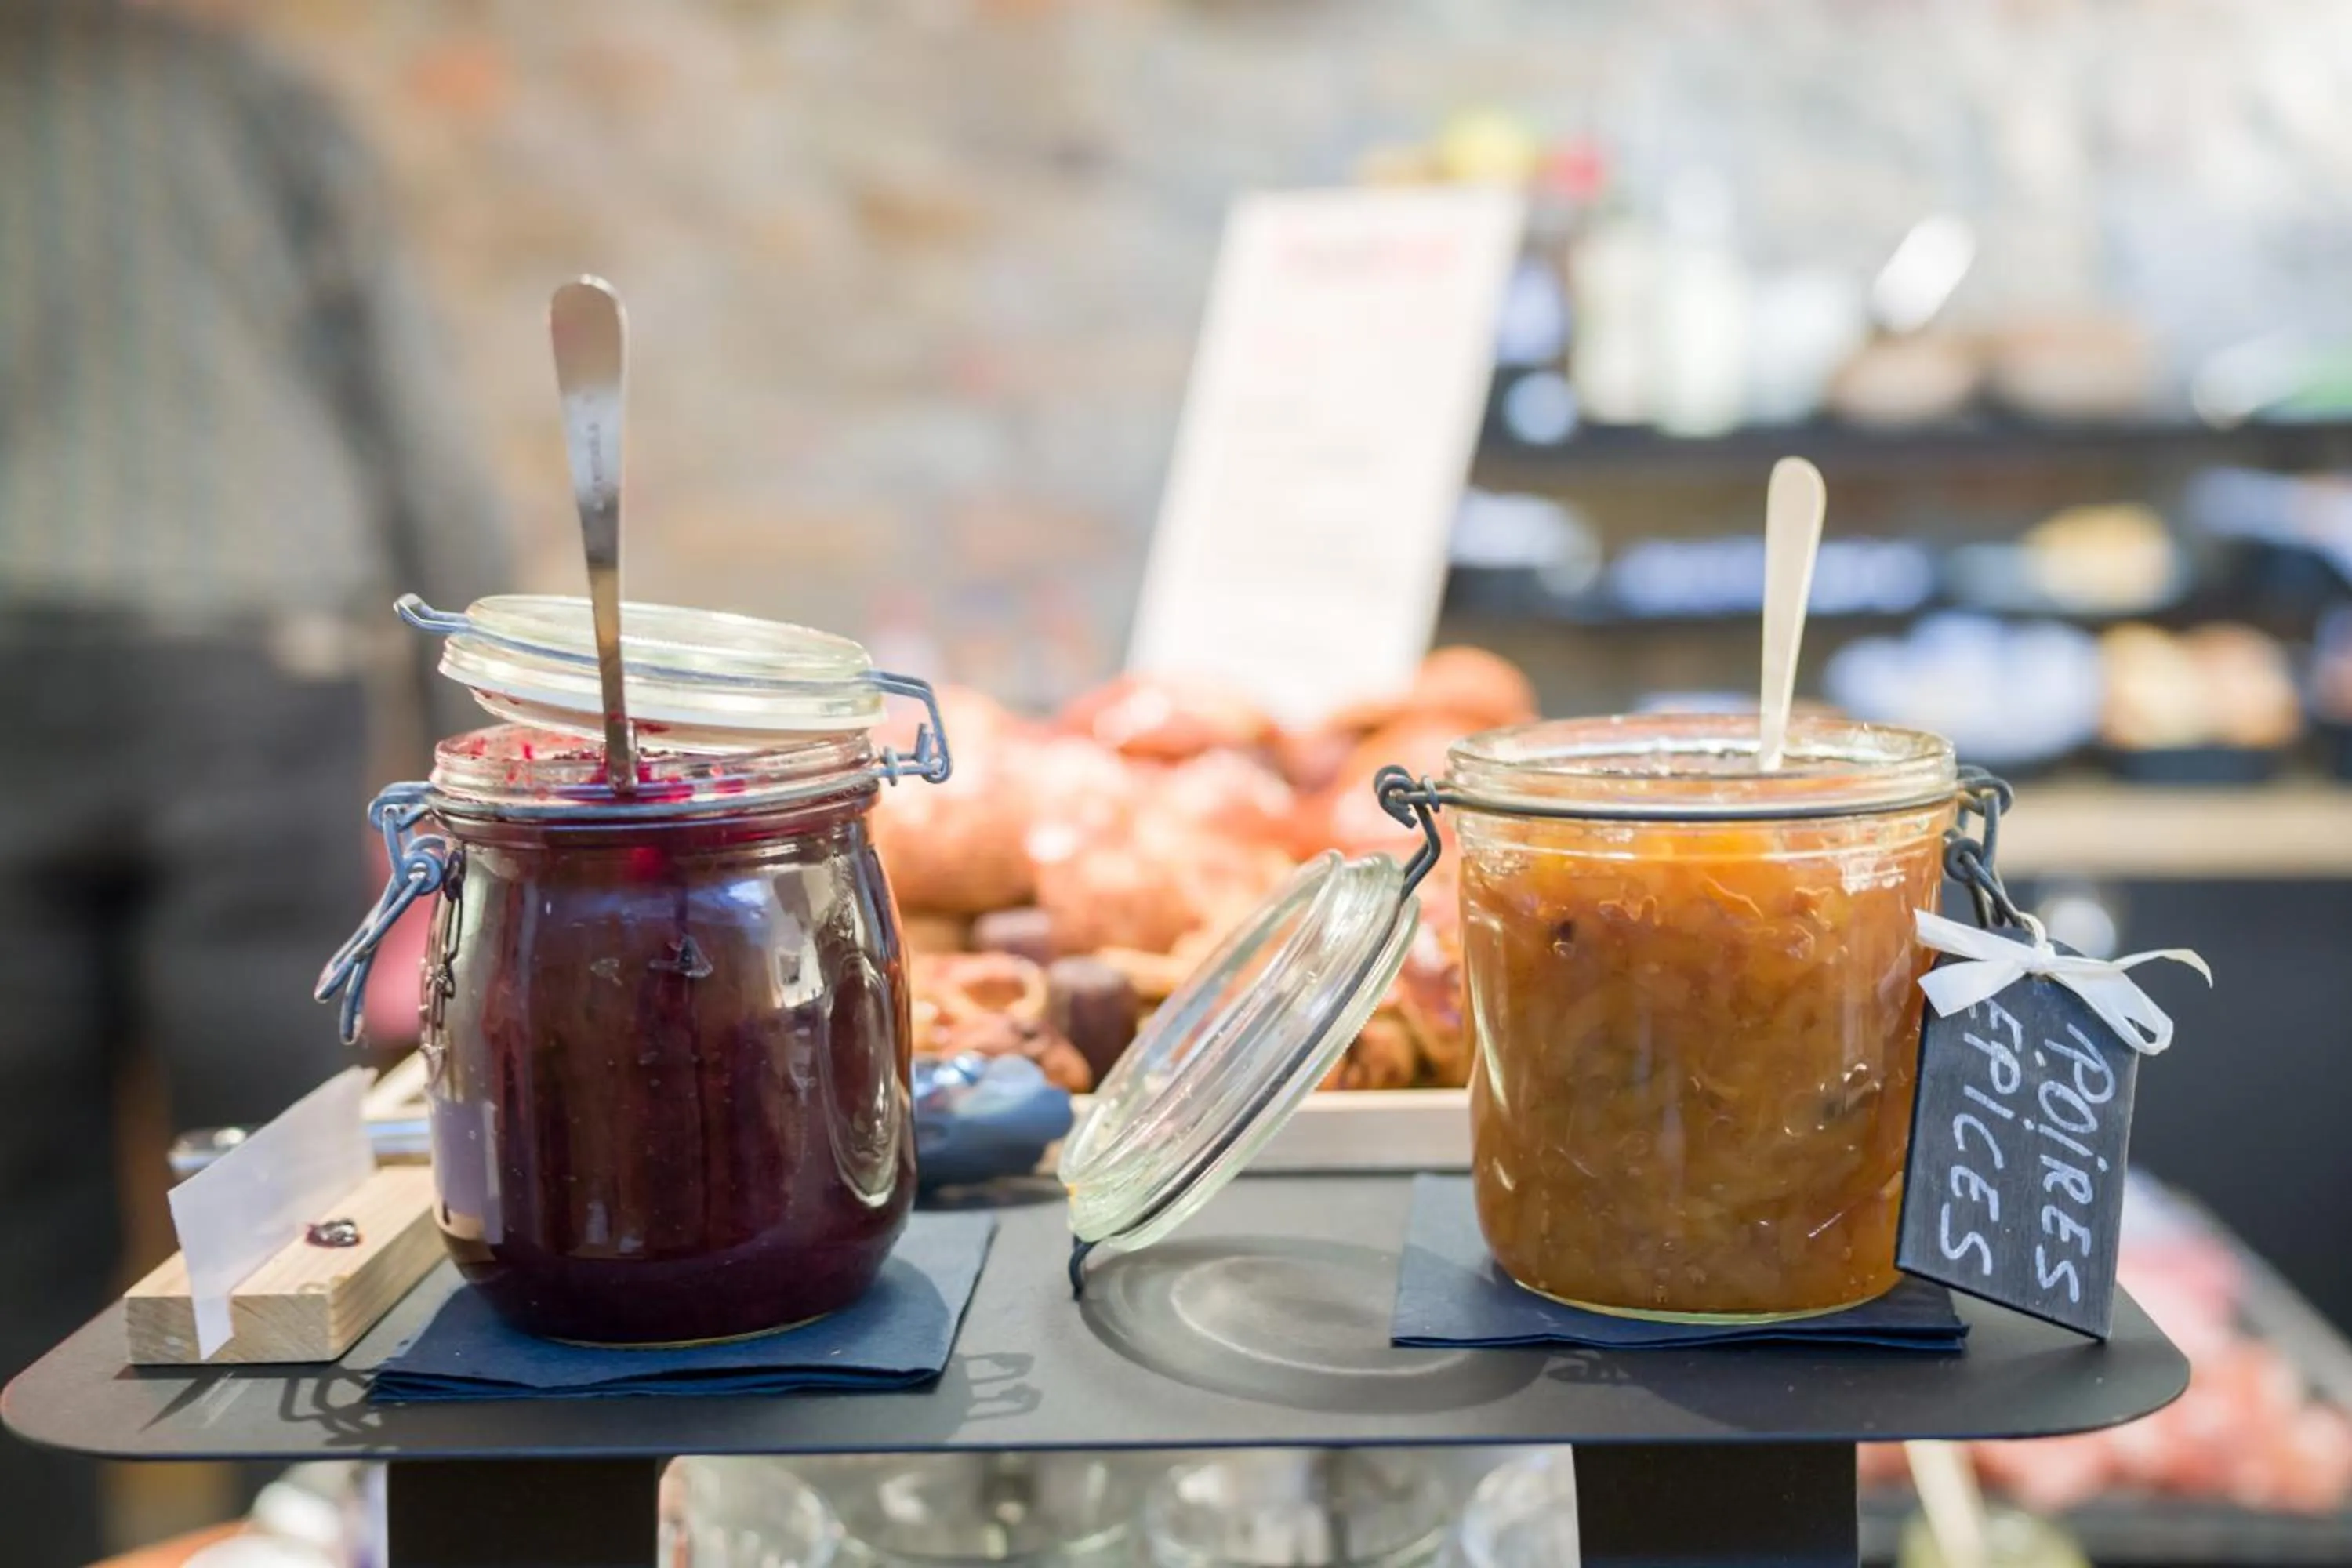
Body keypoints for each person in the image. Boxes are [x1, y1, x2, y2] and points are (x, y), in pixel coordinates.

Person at [0, 3, 510, 1561]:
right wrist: (472, 730)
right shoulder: (235, 92)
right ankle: (282, 1539)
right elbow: (404, 405)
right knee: (279, 1214)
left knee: (15, 1216)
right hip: (244, 668)